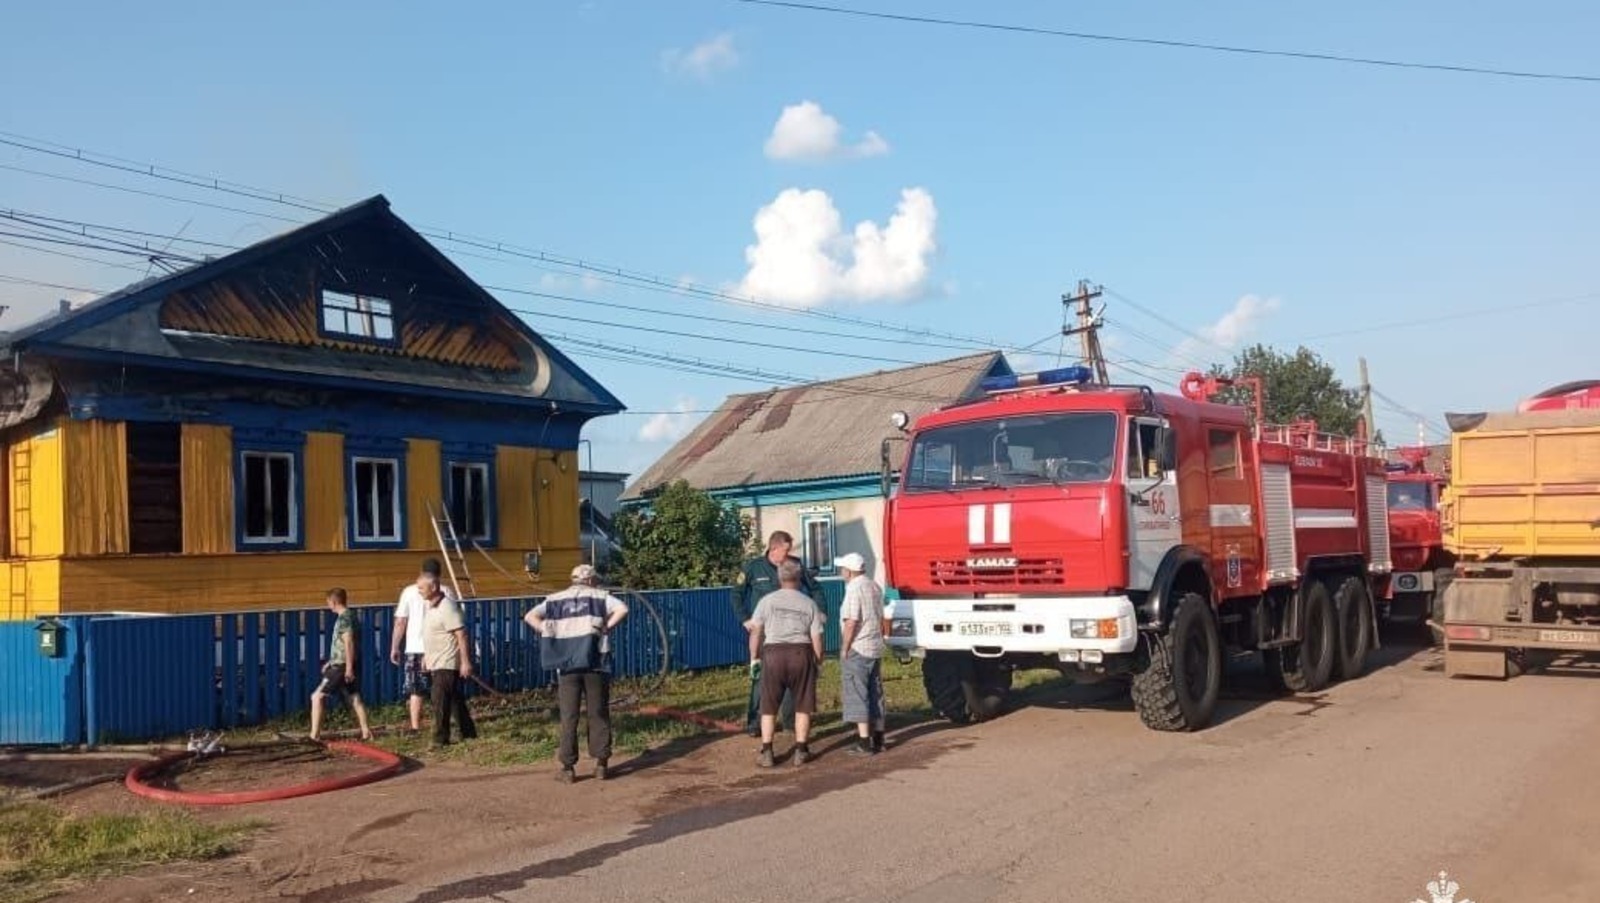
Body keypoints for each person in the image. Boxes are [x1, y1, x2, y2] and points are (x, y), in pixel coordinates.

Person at [525, 564, 630, 784]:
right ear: (590, 580)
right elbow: (623, 609)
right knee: (598, 712)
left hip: (567, 665)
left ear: (573, 579)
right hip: (595, 662)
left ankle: (568, 768)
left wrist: (546, 630)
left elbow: (530, 616)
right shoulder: (600, 597)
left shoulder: (555, 599)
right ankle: (601, 764)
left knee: (569, 715)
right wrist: (606, 627)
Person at [736, 531, 826, 736]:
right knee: (760, 677)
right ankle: (755, 723)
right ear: (773, 548)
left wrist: (821, 612)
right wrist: (745, 619)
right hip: (764, 632)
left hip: (792, 631)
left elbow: (816, 589)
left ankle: (789, 722)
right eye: (785, 551)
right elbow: (736, 594)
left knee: (792, 678)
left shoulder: (794, 565)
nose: (787, 555)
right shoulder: (753, 567)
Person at [746, 560, 825, 768]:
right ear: (799, 579)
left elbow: (756, 632)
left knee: (769, 706)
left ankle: (767, 751)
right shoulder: (809, 603)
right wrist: (818, 662)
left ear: (779, 578)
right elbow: (817, 638)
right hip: (801, 653)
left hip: (773, 654)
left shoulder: (766, 601)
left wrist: (754, 658)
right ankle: (801, 750)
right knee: (803, 705)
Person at [390, 558, 458, 734]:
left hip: (415, 646)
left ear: (421, 571)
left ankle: (415, 726)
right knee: (442, 687)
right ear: (439, 573)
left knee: (416, 689)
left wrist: (395, 646)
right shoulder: (446, 591)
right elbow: (454, 621)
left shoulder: (409, 591)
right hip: (439, 647)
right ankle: (441, 723)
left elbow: (400, 621)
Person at [835, 553, 887, 756]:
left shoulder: (853, 589)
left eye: (842, 569)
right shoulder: (874, 586)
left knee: (857, 691)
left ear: (849, 571)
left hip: (858, 646)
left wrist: (845, 647)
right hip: (874, 645)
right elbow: (881, 616)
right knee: (876, 691)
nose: (841, 572)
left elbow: (851, 621)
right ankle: (879, 738)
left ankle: (864, 742)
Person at [309, 588, 373, 742]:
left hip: (342, 665)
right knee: (354, 696)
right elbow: (342, 645)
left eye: (328, 602)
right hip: (343, 662)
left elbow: (348, 642)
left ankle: (314, 736)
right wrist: (330, 661)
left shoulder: (344, 619)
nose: (328, 605)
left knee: (317, 696)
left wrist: (348, 668)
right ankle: (366, 731)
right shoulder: (350, 616)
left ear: (334, 601)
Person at [422, 572, 477, 747]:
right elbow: (434, 634)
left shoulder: (447, 607)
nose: (419, 591)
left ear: (433, 587)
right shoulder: (432, 607)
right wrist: (426, 656)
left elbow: (461, 634)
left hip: (446, 661)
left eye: (422, 588)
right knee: (454, 699)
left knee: (439, 700)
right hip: (436, 660)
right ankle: (468, 733)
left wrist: (465, 662)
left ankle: (439, 739)